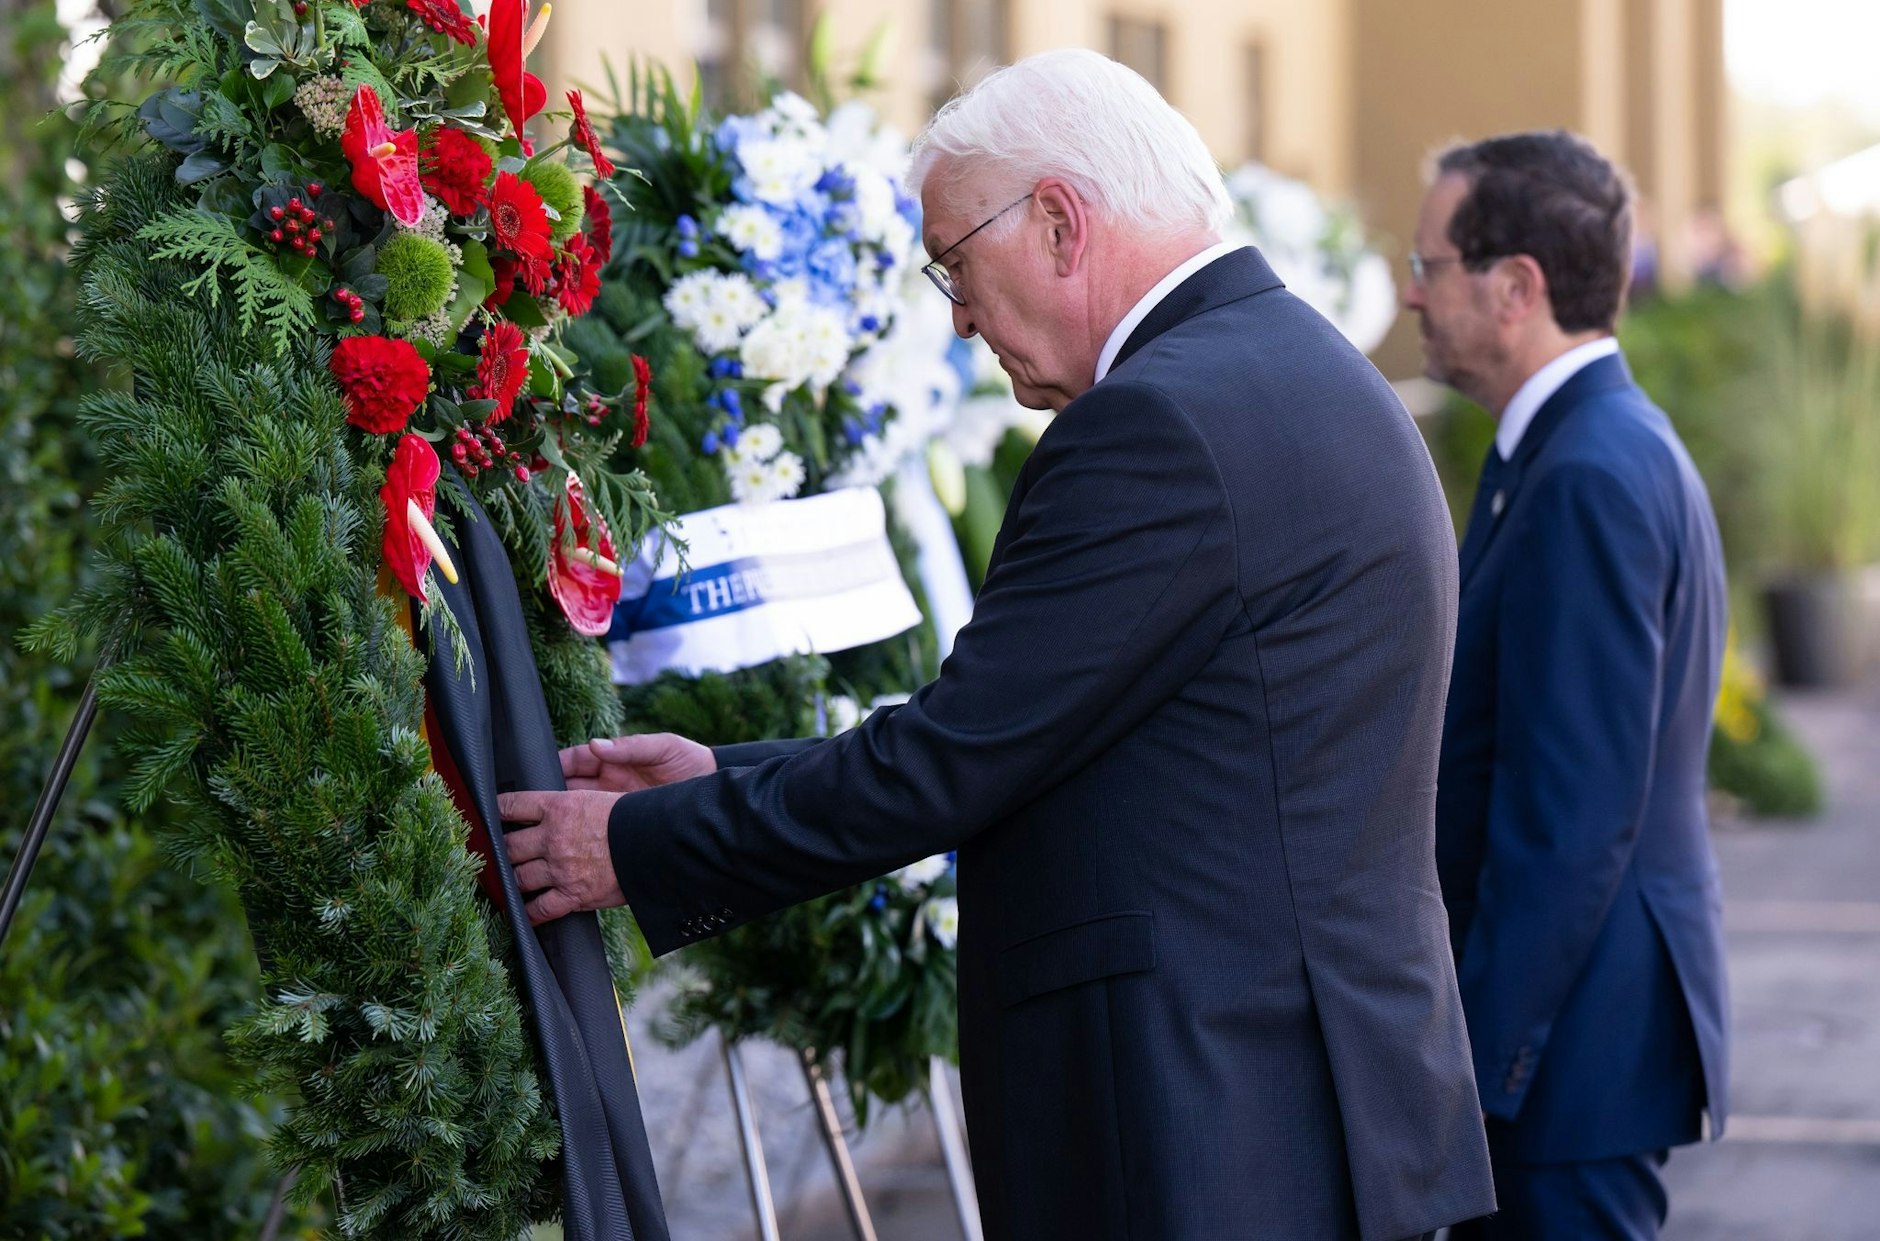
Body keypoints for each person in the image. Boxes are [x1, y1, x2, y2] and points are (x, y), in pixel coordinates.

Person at [499, 49, 1494, 1240]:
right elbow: (1048, 729)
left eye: (956, 267)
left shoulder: (1159, 421)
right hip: (1292, 1102)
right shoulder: (1294, 371)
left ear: (1061, 222)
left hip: (1206, 1124)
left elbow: (960, 754)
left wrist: (643, 844)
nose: (961, 317)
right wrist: (725, 775)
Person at [1405, 132, 1730, 1240]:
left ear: (1515, 287)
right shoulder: (1573, 448)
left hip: (1562, 1051)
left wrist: (1478, 1066)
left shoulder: (1586, 471)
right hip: (1568, 1036)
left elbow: (1571, 816)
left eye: (1430, 266)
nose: (1409, 293)